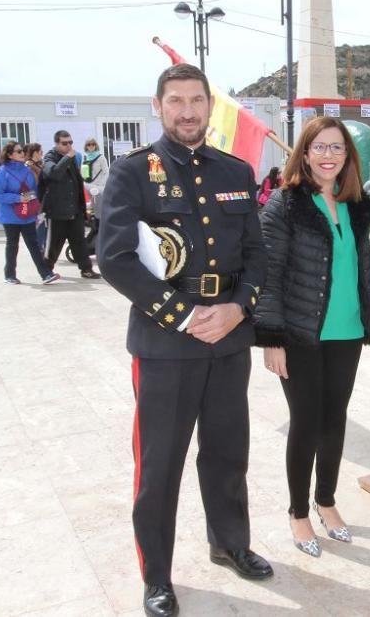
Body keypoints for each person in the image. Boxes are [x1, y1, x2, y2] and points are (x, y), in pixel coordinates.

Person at [97, 63, 271, 617]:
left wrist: (238, 307)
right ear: (158, 106)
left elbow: (257, 255)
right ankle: (158, 576)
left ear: (209, 106)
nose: (188, 110)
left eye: (197, 100)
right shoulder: (131, 174)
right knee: (160, 464)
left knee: (227, 452)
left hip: (228, 340)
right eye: (176, 100)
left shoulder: (237, 171)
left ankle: (230, 543)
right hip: (165, 343)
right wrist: (183, 314)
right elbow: (115, 258)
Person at [254, 117, 370, 558]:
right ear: (305, 153)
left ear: (348, 157)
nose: (329, 155)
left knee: (335, 420)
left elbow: (364, 273)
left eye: (337, 148)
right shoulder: (285, 204)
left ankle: (326, 501)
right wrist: (271, 338)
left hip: (346, 332)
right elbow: (269, 275)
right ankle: (298, 512)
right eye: (320, 147)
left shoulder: (355, 207)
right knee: (307, 422)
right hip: (300, 332)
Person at [0, 141, 60, 285]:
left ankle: (46, 274)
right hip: (10, 216)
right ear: (10, 155)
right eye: (19, 151)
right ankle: (9, 275)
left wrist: (33, 200)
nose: (23, 153)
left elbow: (33, 189)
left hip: (28, 215)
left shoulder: (27, 170)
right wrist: (18, 198)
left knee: (34, 245)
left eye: (22, 150)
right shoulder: (3, 171)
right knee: (12, 245)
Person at [41, 131, 100, 279]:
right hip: (57, 211)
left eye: (70, 143)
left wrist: (83, 206)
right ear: (57, 144)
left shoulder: (73, 159)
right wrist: (67, 158)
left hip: (75, 209)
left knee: (79, 242)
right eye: (64, 143)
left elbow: (77, 182)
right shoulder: (50, 157)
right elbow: (54, 173)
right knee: (54, 244)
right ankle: (46, 271)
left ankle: (86, 269)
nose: (68, 146)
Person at [24, 143, 48, 250]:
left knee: (45, 223)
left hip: (43, 198)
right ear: (34, 152)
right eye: (40, 151)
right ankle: (39, 248)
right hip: (35, 198)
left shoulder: (41, 164)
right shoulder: (28, 166)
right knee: (39, 223)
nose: (42, 153)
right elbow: (28, 186)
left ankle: (45, 246)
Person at [82, 138, 110, 229]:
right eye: (89, 145)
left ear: (96, 145)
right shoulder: (86, 157)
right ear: (86, 146)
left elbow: (106, 172)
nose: (91, 146)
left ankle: (99, 228)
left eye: (93, 144)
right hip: (89, 185)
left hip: (99, 187)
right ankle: (92, 228)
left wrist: (101, 186)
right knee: (90, 207)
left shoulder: (101, 157)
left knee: (99, 208)